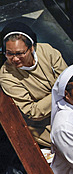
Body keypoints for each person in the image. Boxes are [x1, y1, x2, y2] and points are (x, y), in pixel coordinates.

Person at [0, 22, 67, 150]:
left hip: (69, 104)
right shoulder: (6, 76)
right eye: (9, 54)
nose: (14, 59)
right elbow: (33, 111)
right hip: (43, 123)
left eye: (20, 53)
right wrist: (60, 90)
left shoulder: (46, 51)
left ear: (31, 48)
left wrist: (65, 90)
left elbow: (69, 80)